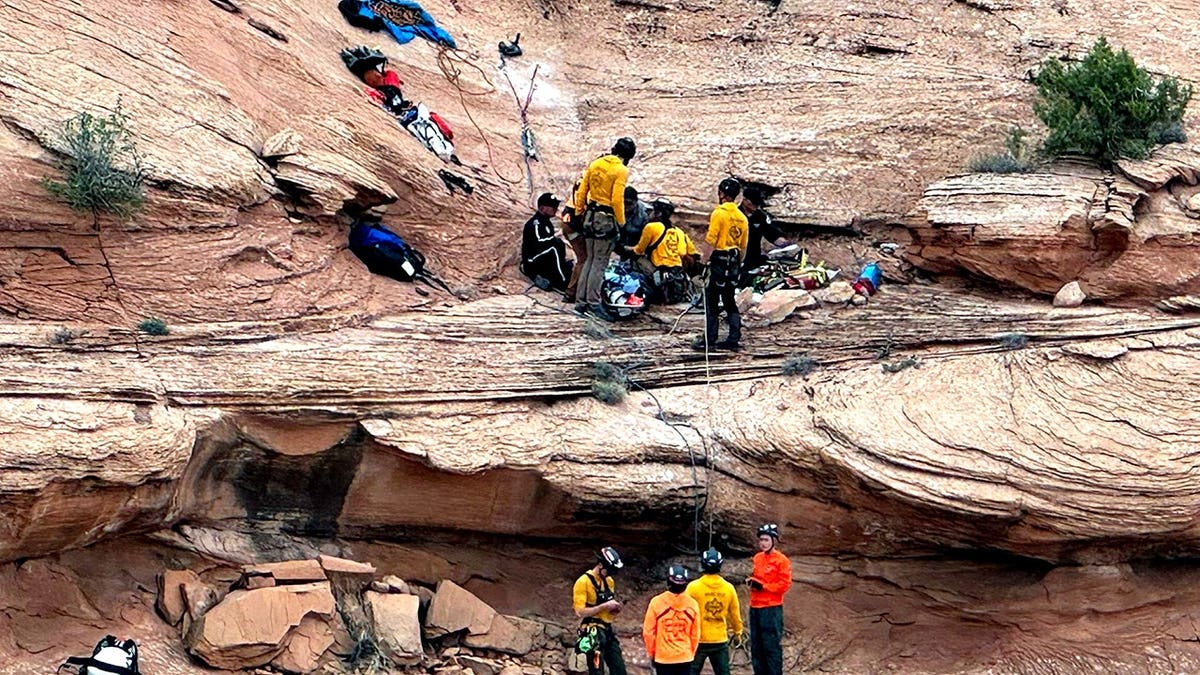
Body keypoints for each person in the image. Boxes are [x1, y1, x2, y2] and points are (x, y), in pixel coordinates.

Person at [574, 138, 636, 321]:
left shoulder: (596, 163)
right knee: (599, 263)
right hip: (605, 218)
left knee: (588, 260)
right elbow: (617, 199)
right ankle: (593, 302)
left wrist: (579, 211)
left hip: (590, 216)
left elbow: (582, 190)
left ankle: (580, 301)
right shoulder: (621, 170)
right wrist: (622, 222)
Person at [692, 178, 748, 352]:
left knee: (712, 300)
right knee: (730, 300)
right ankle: (733, 337)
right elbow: (743, 247)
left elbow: (711, 240)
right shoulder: (742, 218)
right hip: (733, 262)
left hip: (719, 260)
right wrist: (738, 266)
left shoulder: (719, 213)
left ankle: (710, 339)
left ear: (721, 194)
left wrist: (702, 263)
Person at [686, 548, 743, 675]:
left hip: (698, 640)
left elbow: (684, 612)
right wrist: (738, 632)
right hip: (719, 640)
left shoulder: (693, 588)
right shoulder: (728, 588)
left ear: (702, 564)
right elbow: (734, 614)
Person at [631, 198, 698, 305]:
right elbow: (688, 253)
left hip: (657, 270)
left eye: (653, 211)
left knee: (636, 258)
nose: (650, 214)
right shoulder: (679, 232)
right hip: (677, 271)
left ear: (659, 213)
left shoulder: (651, 227)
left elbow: (639, 250)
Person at [573, 547, 628, 675]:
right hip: (592, 632)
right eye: (608, 570)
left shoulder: (609, 581)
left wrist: (615, 609)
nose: (610, 573)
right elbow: (579, 612)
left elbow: (608, 611)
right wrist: (603, 607)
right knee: (597, 670)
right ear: (600, 564)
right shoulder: (583, 582)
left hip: (607, 630)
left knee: (619, 669)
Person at [746, 524, 792, 675]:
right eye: (761, 540)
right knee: (756, 646)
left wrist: (764, 587)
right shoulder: (758, 558)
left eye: (766, 540)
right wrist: (752, 582)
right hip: (755, 606)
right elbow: (757, 577)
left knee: (771, 646)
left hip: (771, 608)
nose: (763, 543)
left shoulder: (781, 560)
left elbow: (784, 585)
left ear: (773, 540)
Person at [643, 565, 701, 675]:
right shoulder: (693, 604)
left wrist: (652, 653)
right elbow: (695, 634)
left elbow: (648, 633)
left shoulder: (656, 602)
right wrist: (690, 653)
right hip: (685, 656)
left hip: (663, 657)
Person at [738, 187, 791, 288]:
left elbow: (770, 233)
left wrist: (786, 245)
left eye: (758, 203)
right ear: (745, 200)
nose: (756, 205)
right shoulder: (735, 215)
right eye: (753, 202)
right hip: (738, 261)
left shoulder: (759, 216)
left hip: (754, 259)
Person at [520, 192, 571, 291]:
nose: (555, 208)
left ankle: (560, 274)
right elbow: (538, 242)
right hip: (532, 260)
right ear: (542, 208)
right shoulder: (535, 223)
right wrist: (554, 240)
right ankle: (562, 282)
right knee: (554, 247)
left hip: (542, 257)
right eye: (552, 206)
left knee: (558, 245)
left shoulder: (546, 222)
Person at [562, 182, 588, 303]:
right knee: (584, 259)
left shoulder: (585, 179)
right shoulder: (590, 184)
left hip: (570, 223)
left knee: (584, 258)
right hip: (573, 225)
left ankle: (575, 290)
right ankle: (571, 292)